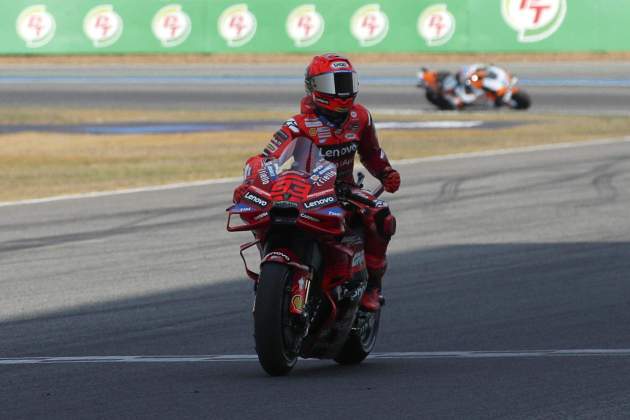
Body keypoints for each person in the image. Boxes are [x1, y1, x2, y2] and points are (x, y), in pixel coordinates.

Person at [233, 53, 400, 311]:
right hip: (306, 189)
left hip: (344, 189)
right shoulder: (298, 124)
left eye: (345, 83)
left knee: (381, 217)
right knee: (265, 212)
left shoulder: (361, 118)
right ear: (313, 88)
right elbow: (268, 157)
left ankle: (372, 287)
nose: (341, 92)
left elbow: (371, 153)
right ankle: (271, 269)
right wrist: (254, 177)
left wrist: (386, 172)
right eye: (332, 84)